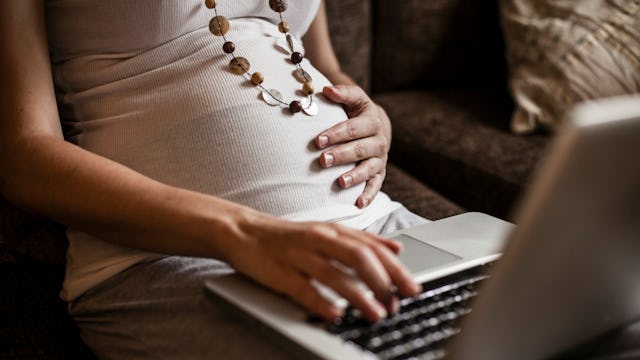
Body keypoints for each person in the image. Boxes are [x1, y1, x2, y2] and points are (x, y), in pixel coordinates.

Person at [0, 0, 429, 358]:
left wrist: (375, 120)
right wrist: (243, 232)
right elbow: (24, 156)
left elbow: (320, 64)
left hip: (373, 227)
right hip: (172, 258)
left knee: (491, 321)